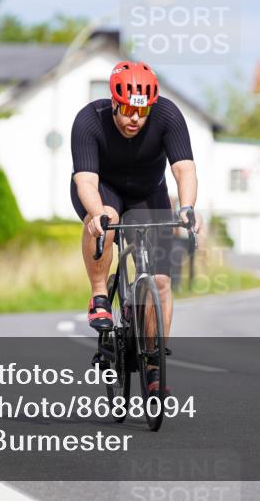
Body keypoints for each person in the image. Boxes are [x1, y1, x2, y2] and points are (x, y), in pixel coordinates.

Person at [70, 61, 202, 391]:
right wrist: (97, 213)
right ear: (115, 102)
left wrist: (187, 207)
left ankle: (155, 368)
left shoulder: (168, 115)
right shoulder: (90, 119)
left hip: (148, 193)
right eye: (128, 109)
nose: (135, 119)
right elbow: (85, 180)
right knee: (106, 219)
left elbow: (184, 169)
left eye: (142, 112)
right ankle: (100, 295)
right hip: (103, 190)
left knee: (161, 281)